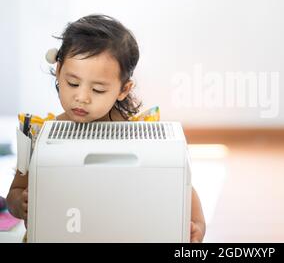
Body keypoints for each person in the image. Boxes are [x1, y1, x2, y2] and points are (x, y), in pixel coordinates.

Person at [6, 14, 205, 242]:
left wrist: (197, 225)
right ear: (59, 70)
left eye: (98, 89)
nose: (81, 97)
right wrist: (18, 203)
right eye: (72, 83)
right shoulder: (39, 136)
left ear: (123, 89)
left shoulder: (141, 138)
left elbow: (182, 187)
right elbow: (15, 190)